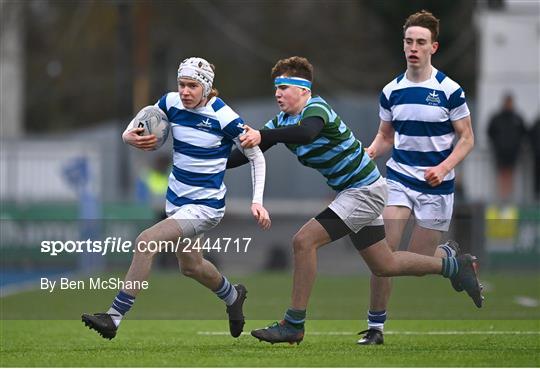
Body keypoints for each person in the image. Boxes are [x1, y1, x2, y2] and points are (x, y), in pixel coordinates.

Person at [227, 56, 483, 346]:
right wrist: (208, 162)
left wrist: (262, 134)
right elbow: (245, 153)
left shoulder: (316, 108)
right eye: (276, 88)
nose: (278, 93)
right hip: (358, 191)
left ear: (304, 90)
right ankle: (453, 266)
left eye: (285, 87)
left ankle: (293, 324)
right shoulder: (280, 122)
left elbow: (307, 132)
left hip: (363, 190)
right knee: (384, 265)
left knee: (304, 241)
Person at [82, 57, 271, 340]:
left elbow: (256, 155)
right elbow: (139, 123)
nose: (185, 91)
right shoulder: (171, 103)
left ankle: (113, 317)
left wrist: (257, 201)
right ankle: (233, 296)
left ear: (206, 88)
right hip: (177, 202)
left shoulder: (224, 116)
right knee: (191, 266)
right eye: (182, 84)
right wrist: (127, 137)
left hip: (205, 207)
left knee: (146, 241)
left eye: (192, 86)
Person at [360, 10, 476, 345]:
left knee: (421, 263)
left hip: (438, 186)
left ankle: (452, 261)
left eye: (420, 42)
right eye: (409, 41)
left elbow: (467, 138)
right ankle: (375, 328)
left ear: (433, 47)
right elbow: (386, 135)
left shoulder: (449, 91)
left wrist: (443, 167)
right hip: (398, 179)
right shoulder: (391, 90)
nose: (413, 47)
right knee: (384, 257)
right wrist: (369, 151)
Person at [487, 93, 526, 201]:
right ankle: (502, 197)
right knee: (502, 175)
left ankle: (509, 197)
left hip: (513, 152)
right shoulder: (497, 118)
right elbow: (490, 132)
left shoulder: (517, 118)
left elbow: (524, 133)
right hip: (500, 152)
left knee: (510, 174)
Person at [528, 115, 540, 201]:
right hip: (537, 155)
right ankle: (537, 198)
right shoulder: (537, 123)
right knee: (537, 177)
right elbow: (531, 136)